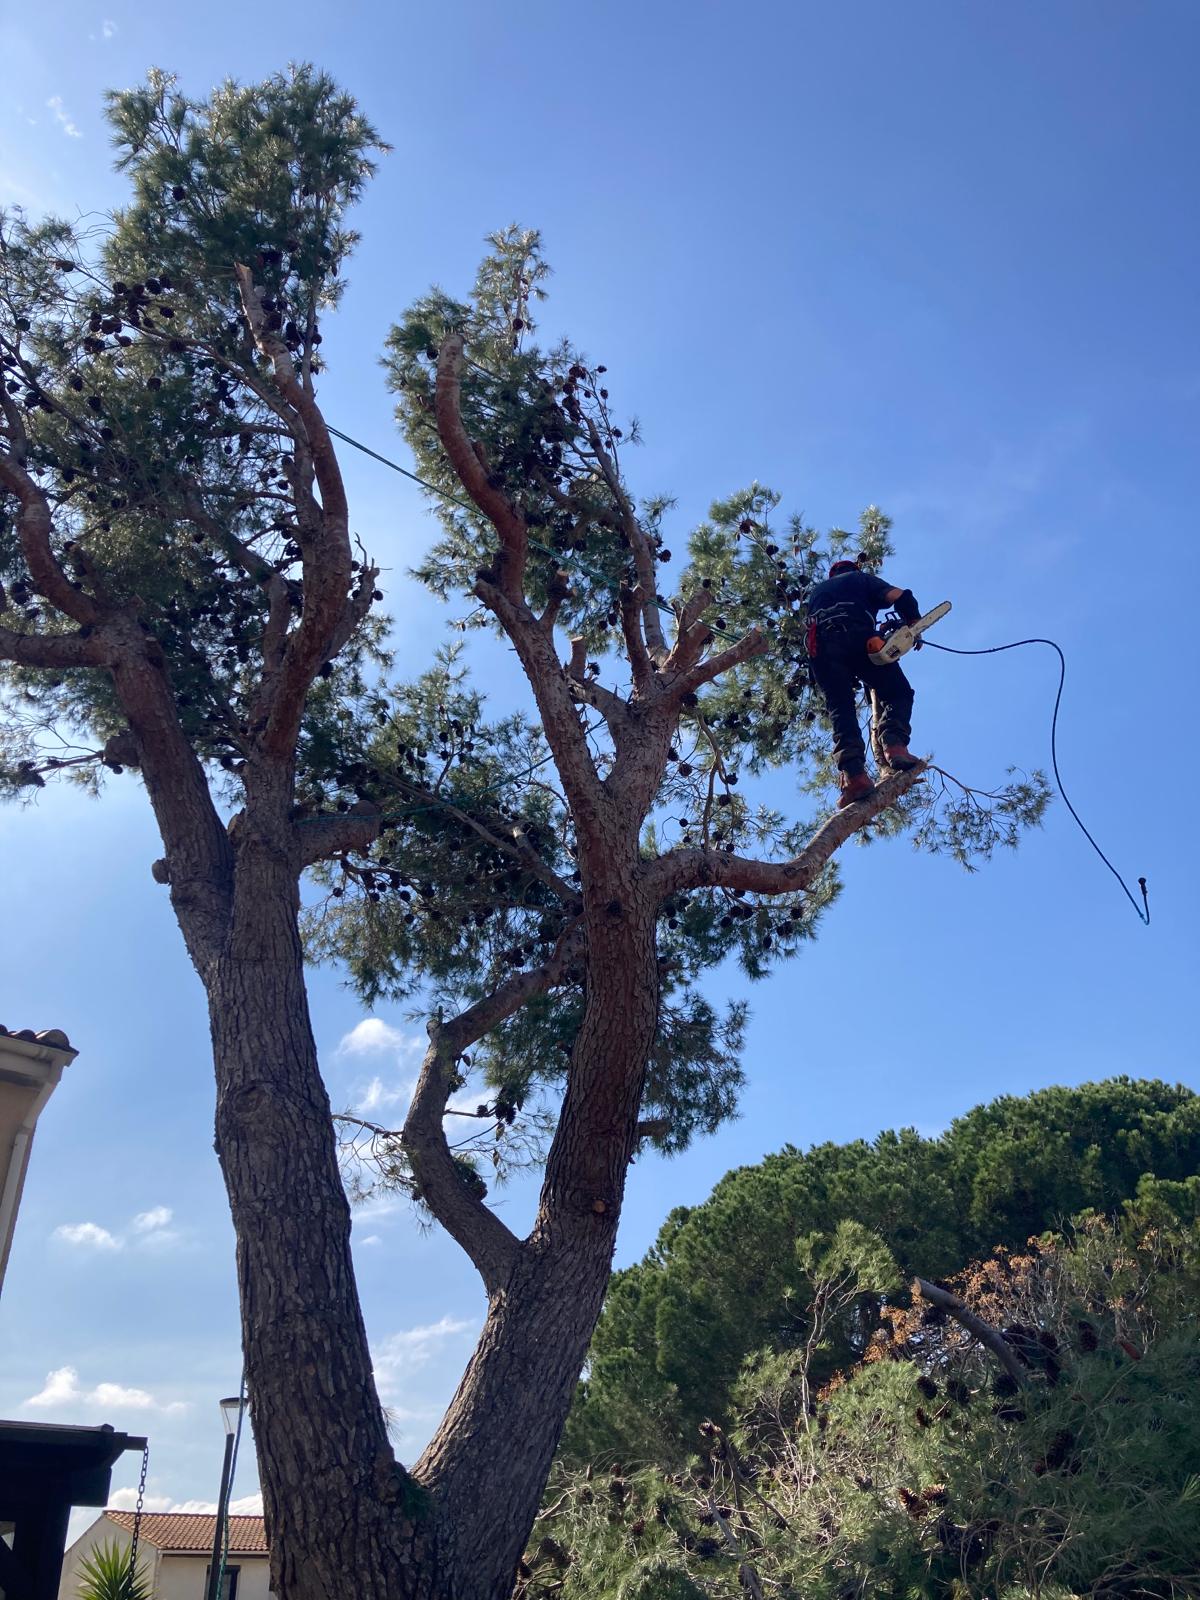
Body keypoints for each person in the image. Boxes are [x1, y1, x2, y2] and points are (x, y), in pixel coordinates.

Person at [804, 556, 923, 808]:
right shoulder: (861, 579)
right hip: (858, 637)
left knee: (841, 709)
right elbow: (900, 597)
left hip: (822, 650)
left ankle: (854, 775)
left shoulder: (816, 593)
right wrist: (913, 624)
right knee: (898, 693)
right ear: (853, 570)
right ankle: (894, 744)